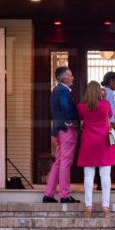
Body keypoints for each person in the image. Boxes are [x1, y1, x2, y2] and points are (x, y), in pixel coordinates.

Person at [77, 81, 115, 217]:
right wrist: (105, 97)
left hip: (88, 143)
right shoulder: (105, 104)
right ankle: (105, 207)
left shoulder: (81, 107)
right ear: (99, 92)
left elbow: (81, 119)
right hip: (104, 143)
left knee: (88, 176)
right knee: (105, 175)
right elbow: (110, 114)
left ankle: (88, 206)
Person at [44, 66, 80, 204]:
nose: (73, 77)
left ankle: (48, 194)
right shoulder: (64, 92)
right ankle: (65, 195)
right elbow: (65, 107)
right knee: (65, 162)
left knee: (58, 162)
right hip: (67, 131)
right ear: (64, 78)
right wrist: (71, 121)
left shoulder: (55, 91)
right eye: (70, 75)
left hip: (57, 131)